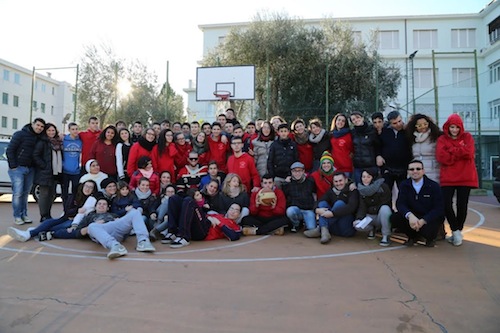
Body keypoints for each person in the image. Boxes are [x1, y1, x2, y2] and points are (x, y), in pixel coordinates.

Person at [7, 180, 98, 242]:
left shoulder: (91, 200)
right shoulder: (74, 196)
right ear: (82, 186)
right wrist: (77, 210)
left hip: (74, 222)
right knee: (50, 222)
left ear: (93, 190)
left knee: (57, 227)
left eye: (91, 187)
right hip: (66, 217)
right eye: (86, 186)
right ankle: (30, 233)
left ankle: (32, 232)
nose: (87, 189)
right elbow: (67, 210)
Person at [436, 113, 478, 246]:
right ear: (447, 127)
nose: (454, 130)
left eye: (457, 127)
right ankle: (455, 230)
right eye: (452, 127)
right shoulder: (442, 139)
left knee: (462, 205)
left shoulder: (468, 137)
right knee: (446, 204)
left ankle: (457, 231)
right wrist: (459, 151)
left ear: (461, 127)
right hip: (448, 177)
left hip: (465, 177)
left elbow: (469, 153)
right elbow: (442, 157)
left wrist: (452, 150)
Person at [390, 160, 445, 247]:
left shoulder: (434, 186)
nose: (415, 171)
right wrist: (410, 216)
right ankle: (412, 237)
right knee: (395, 218)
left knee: (437, 220)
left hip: (427, 217)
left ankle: (430, 238)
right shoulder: (404, 185)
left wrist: (424, 220)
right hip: (412, 217)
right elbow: (400, 204)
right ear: (408, 172)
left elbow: (439, 208)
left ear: (423, 171)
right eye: (412, 169)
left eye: (418, 169)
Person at [82, 198, 156, 259]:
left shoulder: (113, 215)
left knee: (135, 212)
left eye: (104, 204)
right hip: (100, 230)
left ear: (108, 208)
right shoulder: (89, 217)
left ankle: (143, 241)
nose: (102, 205)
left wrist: (117, 220)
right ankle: (115, 246)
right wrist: (90, 227)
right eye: (99, 204)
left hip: (114, 226)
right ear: (95, 207)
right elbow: (76, 232)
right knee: (92, 226)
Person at [166, 193, 242, 248]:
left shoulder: (236, 227)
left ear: (238, 215)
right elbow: (202, 216)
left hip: (204, 232)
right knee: (174, 199)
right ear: (228, 210)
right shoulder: (219, 215)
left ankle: (184, 237)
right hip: (201, 223)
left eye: (236, 210)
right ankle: (172, 232)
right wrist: (210, 217)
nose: (233, 211)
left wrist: (218, 223)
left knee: (190, 201)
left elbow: (234, 236)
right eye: (232, 208)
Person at [6, 118, 46, 225]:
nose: (39, 128)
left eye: (42, 127)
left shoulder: (40, 137)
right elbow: (10, 150)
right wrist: (13, 166)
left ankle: (24, 215)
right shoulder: (20, 134)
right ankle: (17, 216)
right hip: (18, 169)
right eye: (38, 125)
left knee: (25, 194)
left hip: (31, 169)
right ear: (32, 124)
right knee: (18, 193)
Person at [305, 172, 358, 244]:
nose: (338, 183)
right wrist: (316, 209)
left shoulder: (352, 190)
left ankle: (320, 229)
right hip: (333, 228)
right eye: (336, 181)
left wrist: (333, 213)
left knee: (339, 203)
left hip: (346, 228)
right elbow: (319, 201)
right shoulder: (331, 191)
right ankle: (324, 230)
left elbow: (351, 207)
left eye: (340, 180)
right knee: (322, 203)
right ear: (333, 182)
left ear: (346, 180)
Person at [33, 122, 63, 222]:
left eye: (53, 130)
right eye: (49, 130)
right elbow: (36, 155)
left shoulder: (58, 142)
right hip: (44, 172)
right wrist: (44, 166)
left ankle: (48, 215)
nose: (51, 132)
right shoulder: (42, 142)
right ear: (45, 132)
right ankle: (43, 215)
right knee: (44, 195)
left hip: (55, 173)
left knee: (52, 194)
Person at [354, 168, 392, 246]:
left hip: (381, 216)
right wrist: (359, 218)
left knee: (385, 209)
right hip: (369, 217)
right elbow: (362, 206)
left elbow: (386, 202)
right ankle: (372, 229)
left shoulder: (383, 187)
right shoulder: (361, 189)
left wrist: (373, 209)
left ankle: (386, 235)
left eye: (368, 177)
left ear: (373, 177)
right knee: (357, 225)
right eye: (363, 177)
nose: (365, 179)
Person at [376, 110, 412, 192]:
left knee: (404, 192)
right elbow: (378, 145)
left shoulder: (408, 131)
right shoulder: (384, 131)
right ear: (390, 123)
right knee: (387, 192)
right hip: (387, 168)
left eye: (399, 121)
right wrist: (378, 155)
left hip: (404, 168)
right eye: (395, 123)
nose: (398, 124)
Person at [406, 114, 442, 183]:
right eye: (419, 125)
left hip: (433, 171)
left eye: (425, 124)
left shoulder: (435, 137)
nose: (423, 127)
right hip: (416, 170)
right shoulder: (412, 138)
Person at [282, 162, 317, 233]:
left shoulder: (310, 181)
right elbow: (285, 197)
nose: (297, 173)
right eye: (295, 171)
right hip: (296, 209)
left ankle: (306, 223)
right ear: (291, 172)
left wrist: (315, 207)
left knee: (311, 229)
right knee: (290, 211)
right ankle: (296, 224)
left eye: (299, 170)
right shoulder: (288, 183)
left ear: (303, 171)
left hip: (308, 210)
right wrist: (285, 183)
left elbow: (314, 194)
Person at [350, 111, 379, 184]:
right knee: (359, 188)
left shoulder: (371, 130)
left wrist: (379, 155)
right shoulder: (352, 133)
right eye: (353, 119)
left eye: (357, 117)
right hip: (358, 166)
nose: (356, 120)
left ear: (362, 118)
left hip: (370, 165)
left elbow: (378, 145)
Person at [267, 123, 298, 189]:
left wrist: (292, 174)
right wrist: (272, 176)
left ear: (288, 132)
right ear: (278, 132)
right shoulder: (274, 145)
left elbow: (296, 160)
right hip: (277, 176)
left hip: (290, 176)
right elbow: (270, 161)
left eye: (285, 131)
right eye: (281, 131)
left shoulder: (293, 144)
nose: (283, 133)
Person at [61, 122, 82, 205]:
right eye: (73, 129)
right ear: (69, 130)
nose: (75, 131)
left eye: (76, 129)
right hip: (65, 170)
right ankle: (65, 209)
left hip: (76, 170)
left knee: (75, 191)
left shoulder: (80, 141)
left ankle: (72, 209)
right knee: (64, 192)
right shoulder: (63, 140)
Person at [330, 113, 353, 178]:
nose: (340, 122)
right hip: (334, 167)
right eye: (339, 120)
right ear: (335, 121)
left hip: (346, 168)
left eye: (343, 121)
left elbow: (352, 149)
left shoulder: (349, 135)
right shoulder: (331, 135)